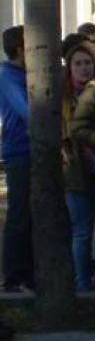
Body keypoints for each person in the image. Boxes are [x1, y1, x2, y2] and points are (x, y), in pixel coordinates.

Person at [62, 44, 95, 292]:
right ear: (69, 68)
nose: (84, 68)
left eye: (87, 62)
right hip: (76, 171)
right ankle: (82, 283)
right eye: (78, 63)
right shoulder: (63, 96)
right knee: (82, 231)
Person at [0, 26, 33, 292]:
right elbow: (27, 110)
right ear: (21, 49)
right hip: (19, 151)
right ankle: (13, 276)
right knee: (19, 214)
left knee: (32, 213)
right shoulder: (8, 76)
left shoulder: (22, 74)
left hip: (31, 150)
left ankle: (28, 271)